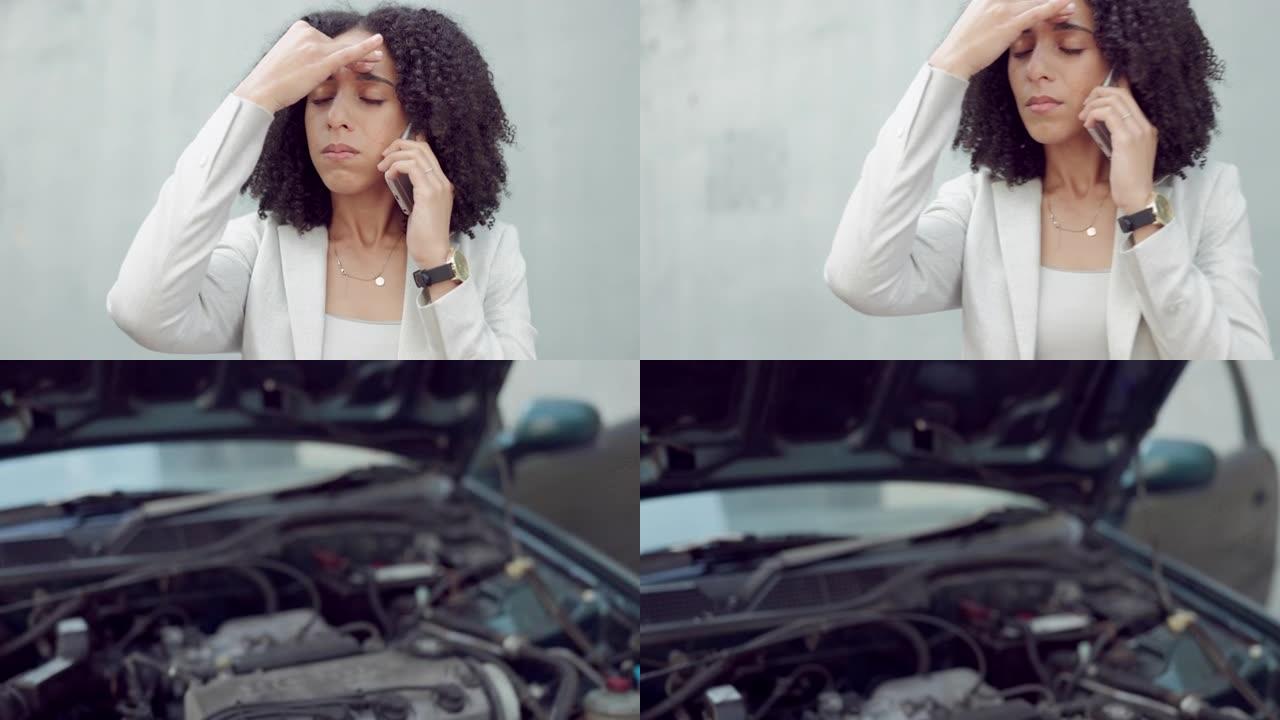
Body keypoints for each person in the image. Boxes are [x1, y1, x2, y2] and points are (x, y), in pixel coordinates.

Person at [824, 0, 1271, 359]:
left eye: (1070, 47)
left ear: (1132, 65)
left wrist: (1140, 208)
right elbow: (860, 280)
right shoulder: (978, 206)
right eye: (1018, 50)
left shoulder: (1210, 196)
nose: (1035, 69)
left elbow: (1237, 358)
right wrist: (952, 62)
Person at [108, 6, 535, 359]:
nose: (336, 117)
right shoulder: (258, 251)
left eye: (370, 98)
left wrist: (437, 262)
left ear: (426, 125)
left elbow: (488, 390)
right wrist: (256, 96)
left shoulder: (492, 254)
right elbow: (141, 313)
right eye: (319, 97)